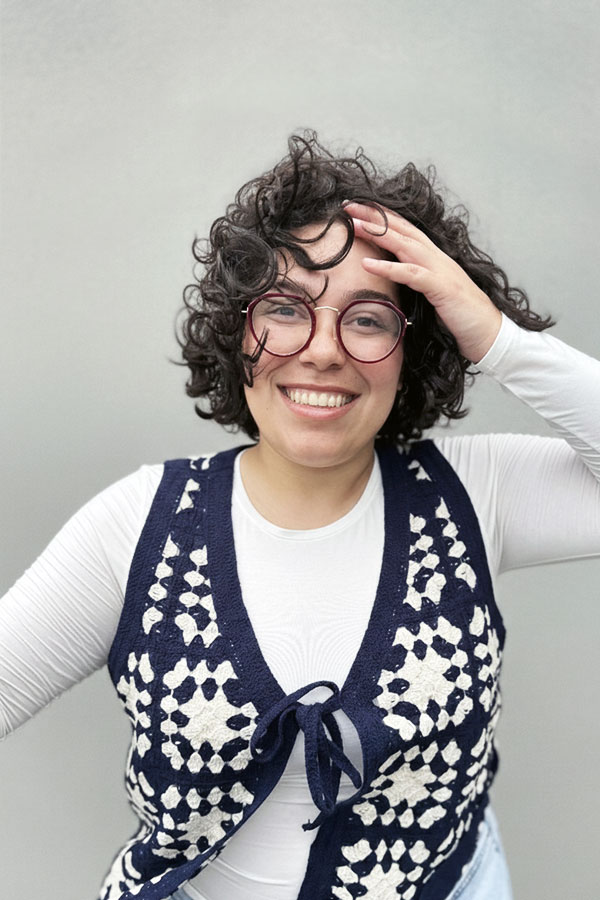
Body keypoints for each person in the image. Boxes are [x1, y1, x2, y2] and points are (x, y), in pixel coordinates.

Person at [1, 131, 599, 900]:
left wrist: (497, 339)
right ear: (237, 331)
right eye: (285, 308)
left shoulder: (472, 493)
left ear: (415, 349)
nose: (322, 350)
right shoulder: (139, 526)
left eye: (369, 319)